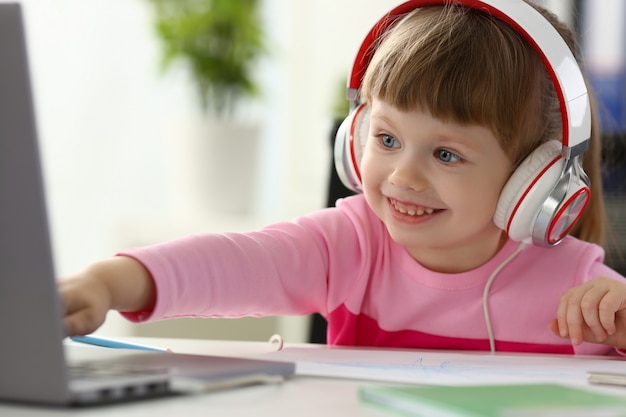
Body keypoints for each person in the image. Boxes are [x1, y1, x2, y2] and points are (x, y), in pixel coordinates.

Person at [59, 0, 626, 355]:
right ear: (355, 139)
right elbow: (236, 261)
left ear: (535, 179)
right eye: (386, 139)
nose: (404, 174)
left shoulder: (577, 285)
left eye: (447, 155)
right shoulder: (350, 246)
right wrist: (111, 283)